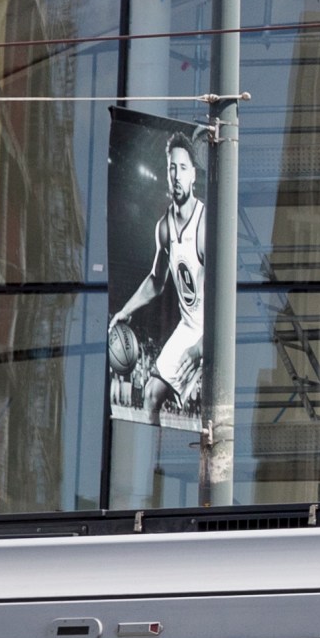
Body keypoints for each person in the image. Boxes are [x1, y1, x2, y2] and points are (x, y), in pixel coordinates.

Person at [109, 133, 206, 424]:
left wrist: (201, 348)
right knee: (151, 395)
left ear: (193, 176)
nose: (176, 175)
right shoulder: (164, 228)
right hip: (189, 328)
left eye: (183, 168)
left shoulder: (205, 226)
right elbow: (155, 281)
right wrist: (125, 311)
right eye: (172, 168)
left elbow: (222, 302)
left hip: (212, 331)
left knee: (213, 411)